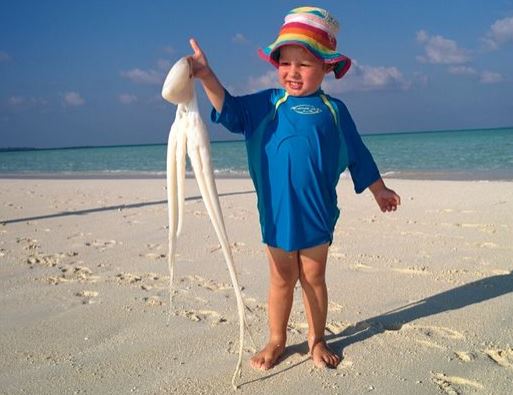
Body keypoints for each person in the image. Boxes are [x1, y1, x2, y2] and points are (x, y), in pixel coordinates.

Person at [188, 6, 400, 370]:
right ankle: (277, 339)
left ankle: (317, 339)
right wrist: (206, 75)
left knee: (314, 277)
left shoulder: (334, 110)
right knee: (281, 277)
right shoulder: (268, 104)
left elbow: (357, 154)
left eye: (303, 64)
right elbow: (231, 111)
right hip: (277, 212)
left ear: (326, 67)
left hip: (317, 210)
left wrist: (378, 189)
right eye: (285, 63)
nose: (292, 72)